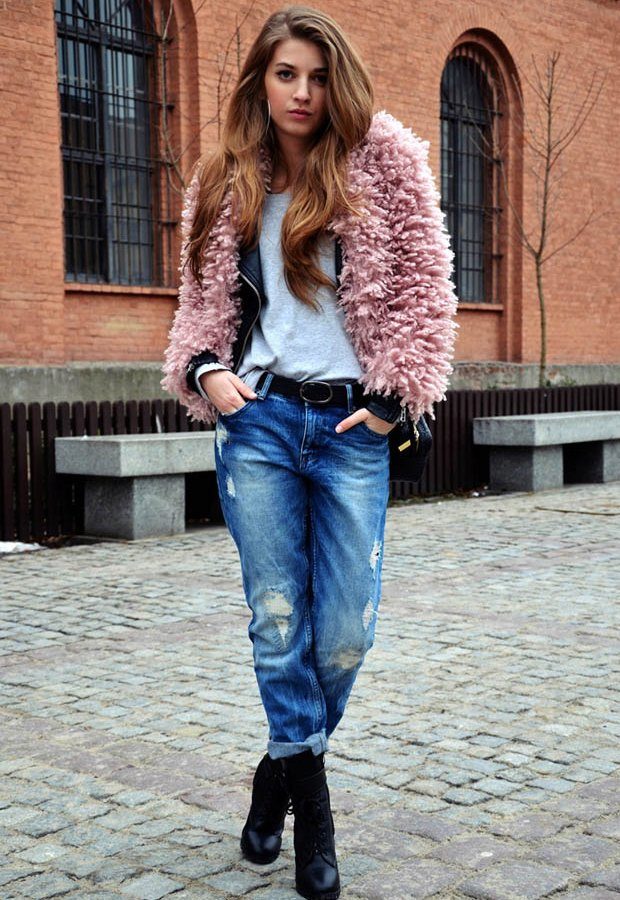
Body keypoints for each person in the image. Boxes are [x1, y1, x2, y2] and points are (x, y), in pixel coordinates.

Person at [162, 6, 458, 898]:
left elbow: (426, 286)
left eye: (319, 76)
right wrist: (206, 370)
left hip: (348, 429)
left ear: (340, 83)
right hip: (257, 423)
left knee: (345, 632)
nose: (302, 92)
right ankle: (315, 817)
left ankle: (278, 772)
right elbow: (199, 304)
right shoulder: (226, 177)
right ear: (262, 81)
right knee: (277, 617)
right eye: (286, 73)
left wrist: (393, 398)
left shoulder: (385, 164)